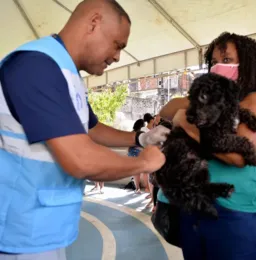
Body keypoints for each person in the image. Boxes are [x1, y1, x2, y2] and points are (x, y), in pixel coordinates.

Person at [0, 0, 169, 258]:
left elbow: (90, 128)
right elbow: (80, 159)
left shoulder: (65, 71)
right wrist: (143, 164)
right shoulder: (36, 66)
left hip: (47, 226)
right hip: (19, 230)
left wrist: (141, 138)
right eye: (117, 45)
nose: (117, 56)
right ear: (94, 22)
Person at [158, 32, 256, 259]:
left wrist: (185, 121)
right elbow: (168, 108)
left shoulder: (255, 101)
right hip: (196, 205)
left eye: (226, 60)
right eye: (213, 62)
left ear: (248, 65)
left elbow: (237, 156)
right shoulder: (210, 98)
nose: (217, 67)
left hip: (234, 212)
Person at [128, 119, 145, 193]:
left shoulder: (131, 133)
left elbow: (128, 144)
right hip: (140, 153)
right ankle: (140, 187)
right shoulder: (142, 133)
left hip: (132, 152)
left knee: (135, 172)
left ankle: (137, 188)